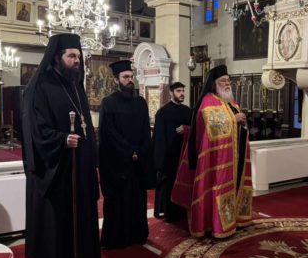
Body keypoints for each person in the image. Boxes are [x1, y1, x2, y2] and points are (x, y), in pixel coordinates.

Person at [21, 33, 100, 258]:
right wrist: (61, 139)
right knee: (57, 217)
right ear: (57, 57)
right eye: (71, 56)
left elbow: (86, 125)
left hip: (79, 164)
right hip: (55, 167)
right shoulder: (39, 86)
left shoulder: (76, 85)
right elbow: (35, 129)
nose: (77, 61)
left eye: (79, 56)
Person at [171, 65, 252, 238]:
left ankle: (235, 219)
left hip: (234, 156)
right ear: (214, 83)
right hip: (216, 160)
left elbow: (235, 123)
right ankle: (215, 225)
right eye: (223, 81)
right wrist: (233, 119)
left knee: (235, 185)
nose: (227, 83)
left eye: (228, 80)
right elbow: (211, 127)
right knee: (217, 187)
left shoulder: (231, 102)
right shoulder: (208, 101)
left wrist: (242, 122)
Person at [98, 60, 152, 248]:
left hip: (138, 162)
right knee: (118, 201)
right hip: (118, 163)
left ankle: (137, 234)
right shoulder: (108, 103)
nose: (130, 80)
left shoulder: (141, 103)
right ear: (116, 80)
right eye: (125, 77)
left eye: (131, 76)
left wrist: (140, 152)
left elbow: (145, 130)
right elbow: (108, 133)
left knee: (137, 199)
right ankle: (117, 238)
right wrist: (129, 151)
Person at [153, 82, 192, 221]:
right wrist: (160, 161)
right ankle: (170, 215)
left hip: (184, 156)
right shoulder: (162, 112)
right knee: (169, 186)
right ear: (171, 93)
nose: (182, 93)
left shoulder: (188, 111)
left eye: (183, 91)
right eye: (178, 91)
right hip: (169, 158)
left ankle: (182, 214)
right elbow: (159, 138)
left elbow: (196, 129)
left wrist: (186, 128)